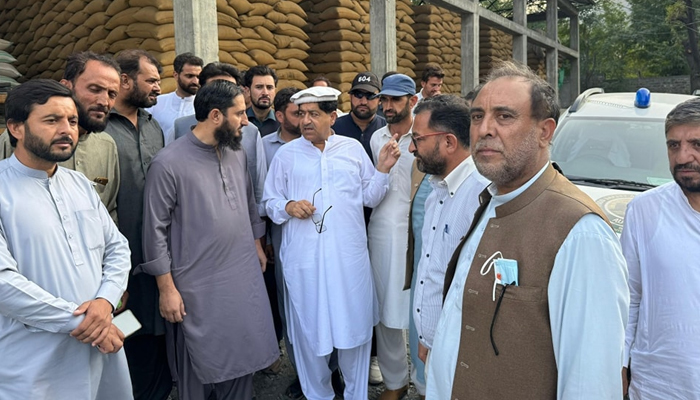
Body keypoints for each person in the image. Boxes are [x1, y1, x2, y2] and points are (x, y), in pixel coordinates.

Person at [427, 61, 629, 399]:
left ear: (545, 132)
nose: (485, 129)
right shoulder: (491, 199)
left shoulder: (580, 232)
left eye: (504, 116)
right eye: (477, 117)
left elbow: (590, 382)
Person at [140, 80, 278, 400]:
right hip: (195, 286)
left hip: (242, 274)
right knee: (198, 366)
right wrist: (166, 289)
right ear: (215, 116)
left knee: (243, 356)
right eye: (240, 113)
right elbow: (154, 231)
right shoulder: (167, 163)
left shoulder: (236, 152)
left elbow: (247, 203)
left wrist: (257, 245)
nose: (246, 120)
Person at [263, 86, 401, 400]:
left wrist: (382, 169)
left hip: (347, 260)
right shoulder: (287, 155)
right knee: (310, 331)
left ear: (332, 116)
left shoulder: (351, 149)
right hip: (305, 262)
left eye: (314, 114)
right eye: (302, 115)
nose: (306, 121)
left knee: (352, 326)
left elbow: (370, 197)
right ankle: (318, 395)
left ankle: (355, 395)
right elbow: (268, 201)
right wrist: (287, 207)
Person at [0, 79, 132, 399]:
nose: (67, 129)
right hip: (35, 365)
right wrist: (87, 322)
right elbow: (4, 285)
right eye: (51, 120)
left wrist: (105, 301)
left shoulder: (79, 184)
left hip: (101, 347)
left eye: (72, 121)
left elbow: (117, 248)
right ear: (16, 128)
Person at [408, 95, 489, 395]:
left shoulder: (481, 196)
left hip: (463, 352)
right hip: (436, 346)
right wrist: (426, 337)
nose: (410, 148)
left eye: (417, 139)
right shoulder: (435, 191)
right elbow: (432, 270)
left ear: (449, 142)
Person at [620, 97, 700, 399]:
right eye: (673, 146)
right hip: (658, 387)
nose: (683, 157)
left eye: (696, 144)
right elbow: (628, 300)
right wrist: (620, 368)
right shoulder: (644, 211)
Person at [105, 49, 171, 400]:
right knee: (126, 328)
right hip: (119, 252)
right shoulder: (100, 127)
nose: (158, 87)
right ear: (126, 80)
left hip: (156, 248)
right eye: (151, 80)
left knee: (159, 328)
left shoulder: (153, 124)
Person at [0, 51, 122, 223]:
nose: (104, 101)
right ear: (66, 86)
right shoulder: (21, 138)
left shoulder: (107, 146)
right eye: (95, 89)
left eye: (112, 94)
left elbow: (108, 211)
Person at [366, 73, 417, 400]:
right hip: (382, 233)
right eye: (383, 99)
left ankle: (427, 384)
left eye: (395, 100)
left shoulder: (425, 135)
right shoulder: (376, 138)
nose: (387, 106)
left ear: (412, 101)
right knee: (385, 312)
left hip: (418, 233)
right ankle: (396, 382)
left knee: (421, 311)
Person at [173, 62, 267, 214]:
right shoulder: (180, 127)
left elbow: (258, 185)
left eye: (230, 88)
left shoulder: (250, 131)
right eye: (217, 87)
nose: (225, 93)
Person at [147, 52, 203, 145]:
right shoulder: (157, 103)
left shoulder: (204, 106)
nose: (195, 81)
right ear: (176, 75)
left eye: (198, 77)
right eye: (189, 76)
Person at [334, 71, 386, 159]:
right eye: (358, 95)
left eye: (370, 96)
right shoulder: (335, 129)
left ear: (380, 100)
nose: (363, 102)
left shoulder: (386, 130)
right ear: (350, 97)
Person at [244, 65, 279, 137]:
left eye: (269, 87)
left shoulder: (282, 123)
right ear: (248, 91)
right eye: (259, 87)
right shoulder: (239, 121)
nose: (265, 93)